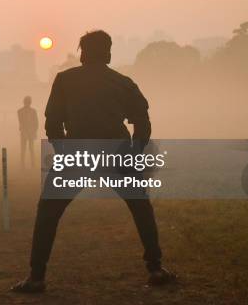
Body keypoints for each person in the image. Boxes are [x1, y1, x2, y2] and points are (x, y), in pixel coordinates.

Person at [11, 30, 176, 293]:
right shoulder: (122, 82)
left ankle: (36, 276)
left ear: (83, 53)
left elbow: (53, 121)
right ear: (108, 52)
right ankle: (155, 268)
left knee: (48, 213)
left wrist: (63, 150)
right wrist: (135, 152)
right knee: (141, 207)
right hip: (117, 151)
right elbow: (142, 122)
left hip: (77, 152)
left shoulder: (65, 80)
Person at [17, 96, 38, 168]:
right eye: (27, 102)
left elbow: (36, 122)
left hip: (30, 132)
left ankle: (32, 164)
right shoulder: (20, 111)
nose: (28, 103)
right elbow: (21, 122)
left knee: (30, 148)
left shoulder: (32, 111)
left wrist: (34, 131)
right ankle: (23, 164)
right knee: (24, 149)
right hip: (24, 132)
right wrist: (26, 131)